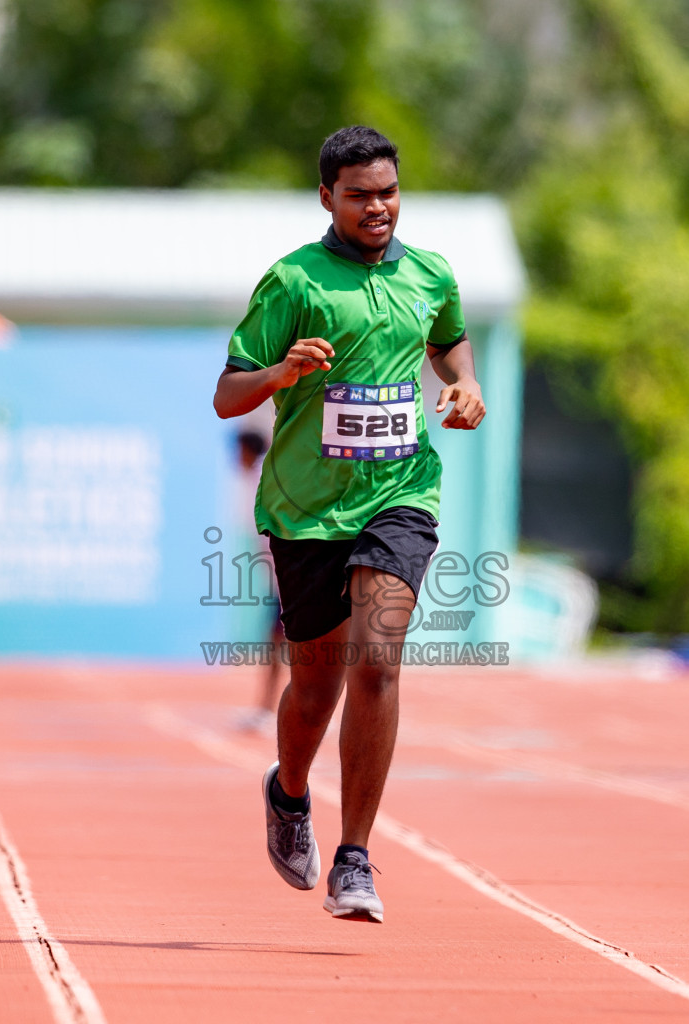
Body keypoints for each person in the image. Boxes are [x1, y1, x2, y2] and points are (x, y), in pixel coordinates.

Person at [212, 125, 485, 923]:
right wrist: (280, 372)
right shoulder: (293, 281)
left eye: (389, 192)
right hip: (305, 508)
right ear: (327, 196)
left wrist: (466, 388)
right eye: (361, 194)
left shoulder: (431, 274)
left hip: (401, 494)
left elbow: (452, 346)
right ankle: (288, 789)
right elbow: (228, 395)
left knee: (377, 661)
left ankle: (355, 856)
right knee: (316, 684)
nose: (378, 207)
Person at [231, 429, 285, 734]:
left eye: (238, 451)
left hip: (290, 575)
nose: (235, 459)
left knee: (282, 643)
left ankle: (269, 707)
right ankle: (266, 706)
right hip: (279, 577)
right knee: (279, 643)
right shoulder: (253, 477)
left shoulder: (267, 473)